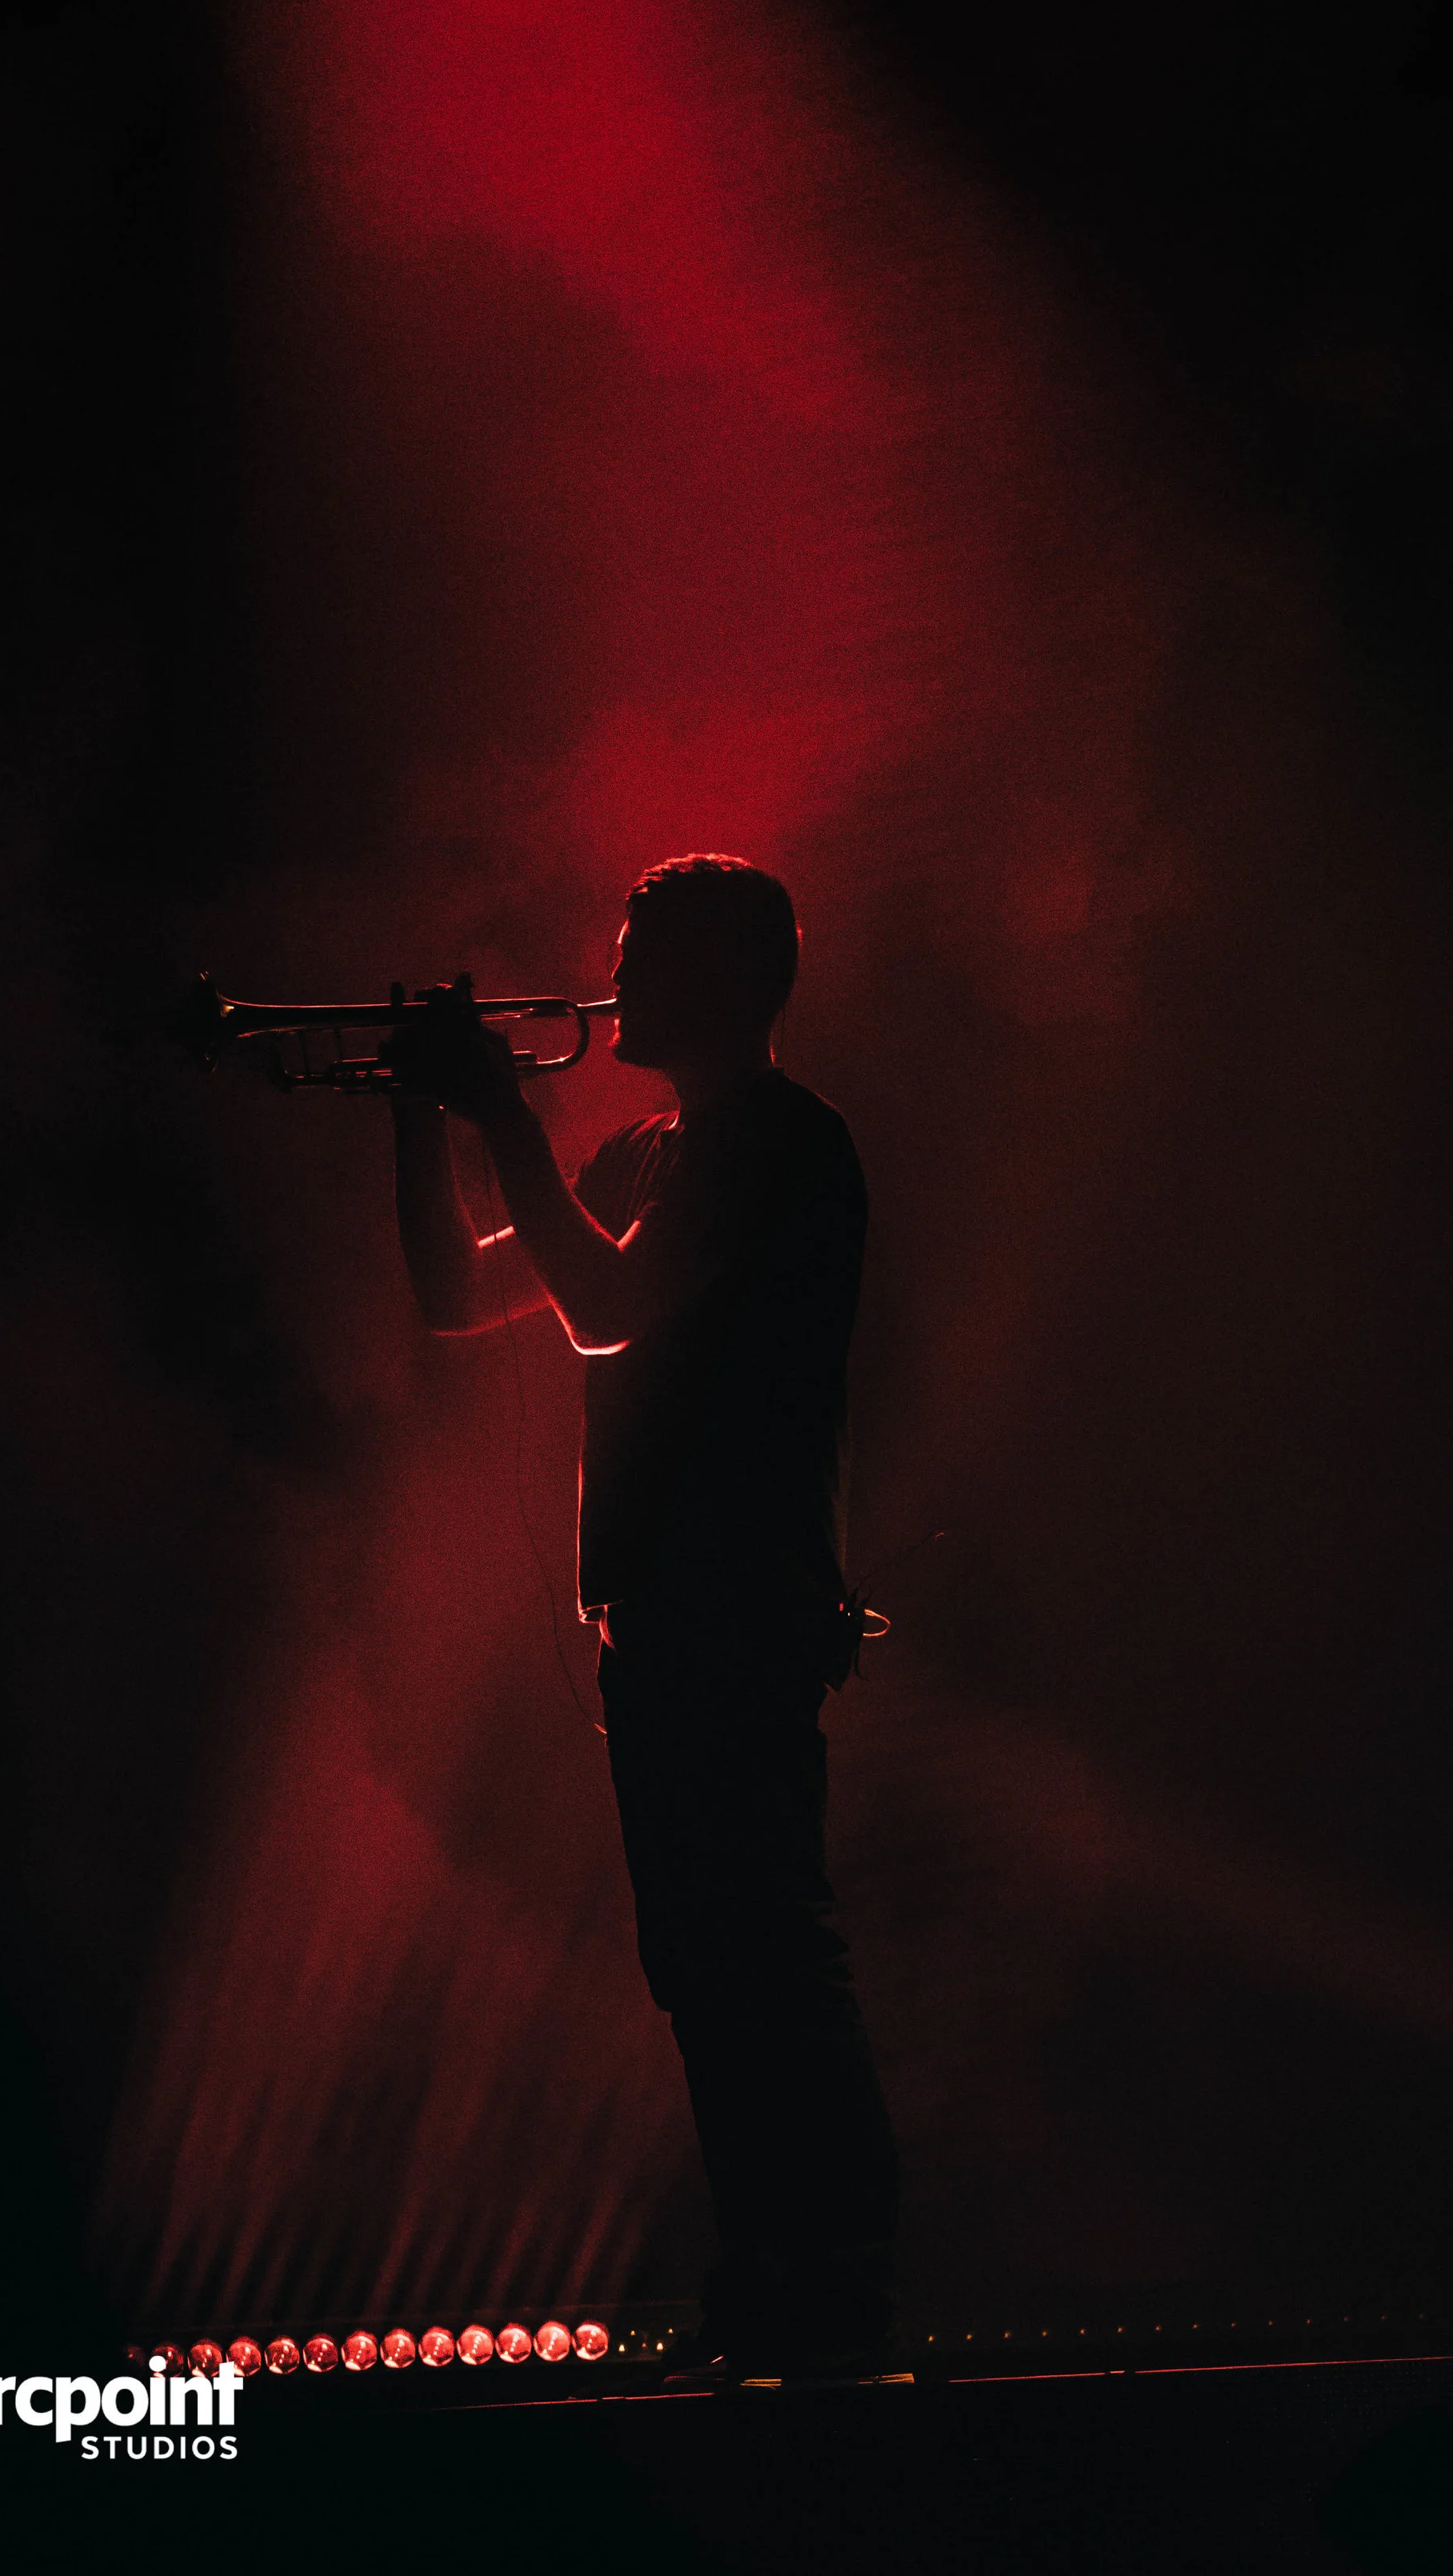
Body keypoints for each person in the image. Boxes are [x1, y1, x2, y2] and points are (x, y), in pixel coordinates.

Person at [386, 854, 901, 2381]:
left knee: (761, 1952)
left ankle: (832, 2273)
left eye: (642, 954)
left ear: (730, 980)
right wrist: (419, 1110)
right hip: (664, 1610)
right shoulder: (651, 1151)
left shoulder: (783, 1146)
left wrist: (497, 1117)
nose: (612, 981)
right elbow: (447, 1296)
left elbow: (604, 1311)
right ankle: (777, 2276)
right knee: (703, 1956)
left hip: (739, 1600)